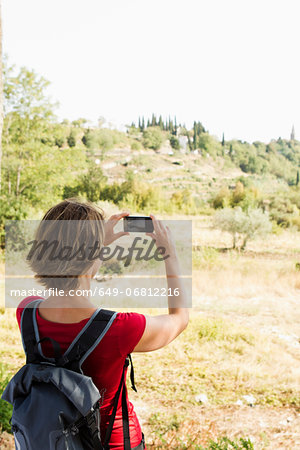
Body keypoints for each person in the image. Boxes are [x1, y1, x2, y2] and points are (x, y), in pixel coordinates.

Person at [16, 198, 189, 449]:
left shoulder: (26, 313)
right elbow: (179, 318)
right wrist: (170, 255)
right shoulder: (119, 328)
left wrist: (94, 245)